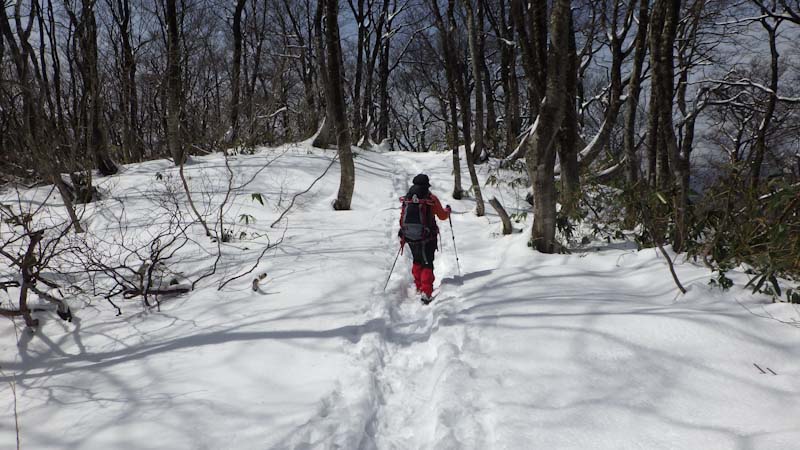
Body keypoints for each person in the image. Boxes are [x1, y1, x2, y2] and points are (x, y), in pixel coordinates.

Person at [398, 174, 451, 304]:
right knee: (427, 262)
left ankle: (419, 286)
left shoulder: (408, 198)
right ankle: (426, 292)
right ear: (427, 185)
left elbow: (402, 218)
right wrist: (448, 210)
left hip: (410, 236)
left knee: (417, 260)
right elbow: (442, 216)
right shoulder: (431, 198)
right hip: (428, 237)